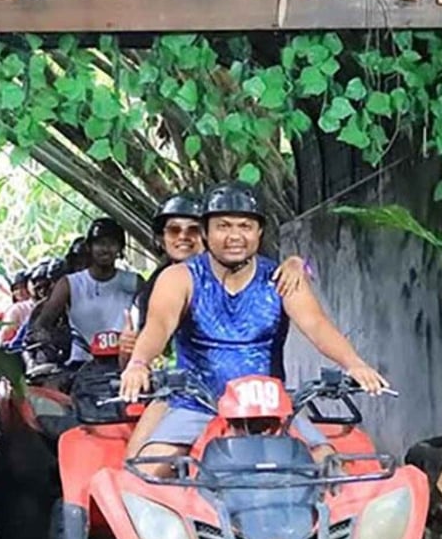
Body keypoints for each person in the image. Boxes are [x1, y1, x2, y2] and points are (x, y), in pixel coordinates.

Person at [120, 182, 386, 474]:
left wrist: (354, 364)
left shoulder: (281, 278)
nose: (235, 236)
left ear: (259, 232)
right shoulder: (180, 277)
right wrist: (138, 363)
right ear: (206, 232)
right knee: (146, 474)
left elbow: (317, 325)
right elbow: (159, 325)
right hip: (197, 405)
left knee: (331, 469)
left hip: (273, 410)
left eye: (245, 226)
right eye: (223, 226)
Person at [119, 191, 311, 458]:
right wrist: (134, 361)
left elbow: (301, 299)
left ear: (206, 235)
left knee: (328, 464)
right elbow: (150, 338)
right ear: (161, 238)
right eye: (174, 231)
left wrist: (297, 262)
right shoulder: (154, 286)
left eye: (192, 231)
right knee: (137, 467)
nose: (183, 238)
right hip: (183, 393)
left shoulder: (259, 272)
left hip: (260, 402)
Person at [31, 218, 143, 366]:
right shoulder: (69, 284)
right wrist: (45, 336)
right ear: (90, 247)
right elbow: (42, 323)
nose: (105, 249)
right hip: (81, 365)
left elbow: (153, 317)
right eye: (100, 243)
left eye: (111, 244)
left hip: (126, 364)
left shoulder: (134, 282)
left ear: (119, 249)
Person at [0, 270, 34, 343]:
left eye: (23, 287)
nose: (20, 292)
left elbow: (5, 335)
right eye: (16, 289)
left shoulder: (17, 309)